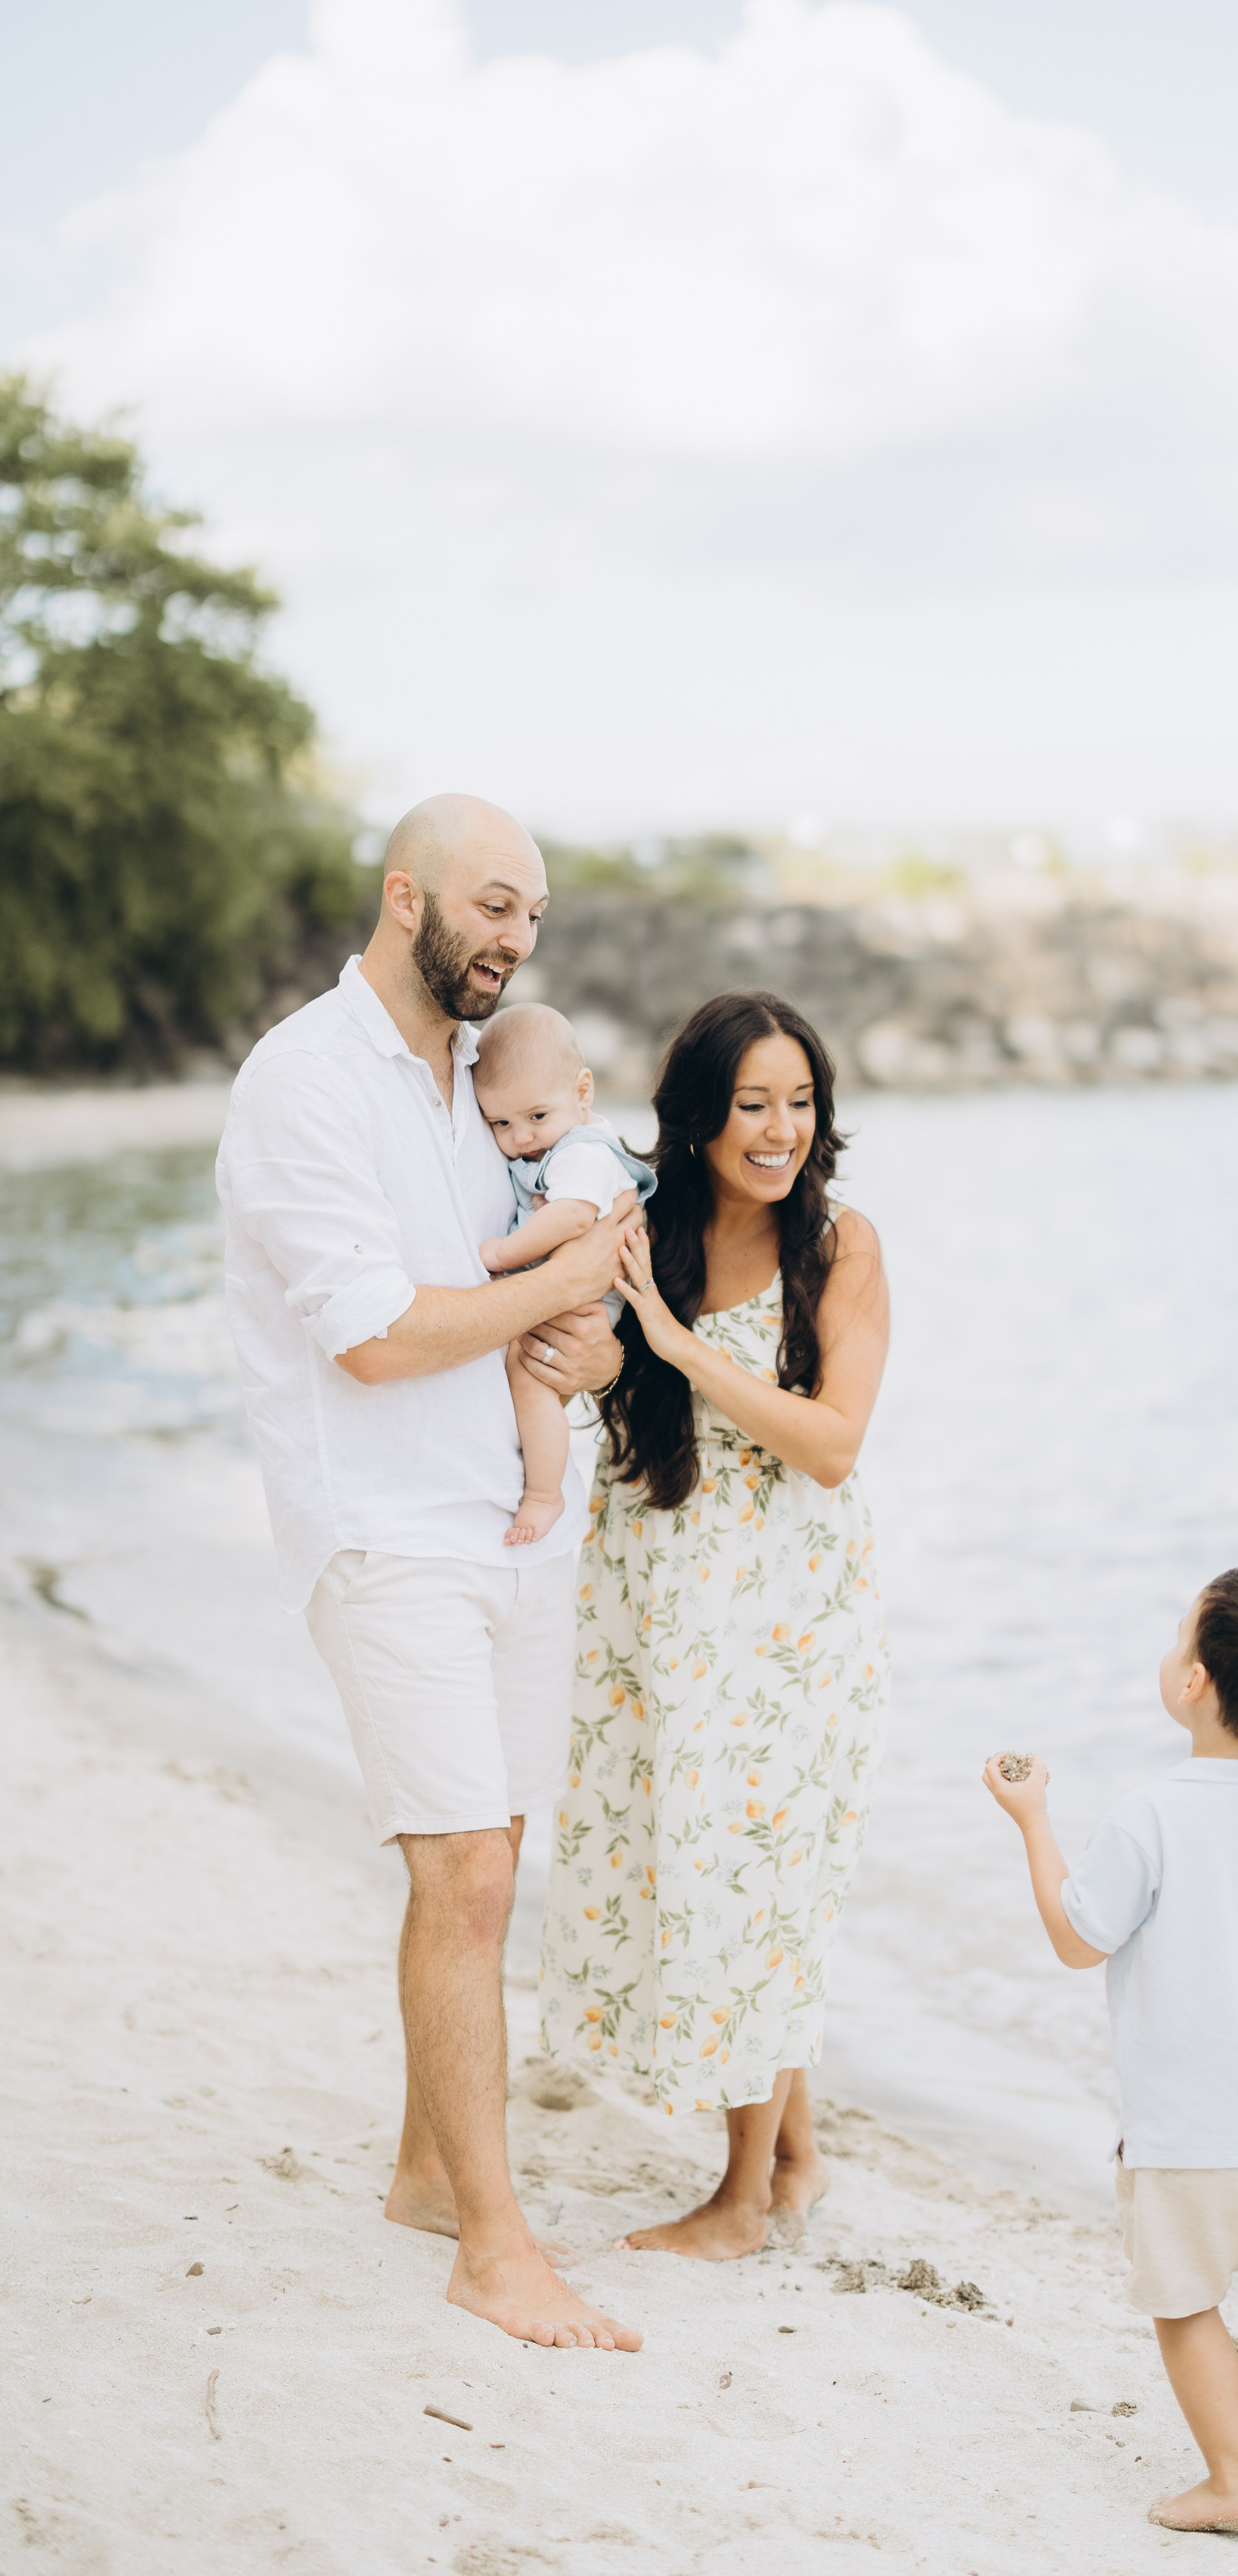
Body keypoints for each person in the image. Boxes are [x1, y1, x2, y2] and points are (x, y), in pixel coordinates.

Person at [216, 791, 644, 2354]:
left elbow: (541, 1312)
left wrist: (590, 1332)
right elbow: (380, 1336)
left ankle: (419, 2170)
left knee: (495, 1858)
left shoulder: (486, 1081)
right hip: (380, 1525)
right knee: (459, 1871)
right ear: (406, 896)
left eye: (529, 911)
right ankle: (492, 2242)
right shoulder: (302, 1081)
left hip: (513, 1519)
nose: (512, 935)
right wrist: (560, 1278)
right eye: (488, 903)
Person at [535, 990, 890, 2258]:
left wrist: (679, 1347)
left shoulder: (842, 1249)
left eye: (800, 1103)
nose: (779, 1129)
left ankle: (741, 2202)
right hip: (655, 1603)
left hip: (787, 1626)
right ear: (698, 1117)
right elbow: (580, 1351)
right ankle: (793, 2165)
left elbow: (834, 1445)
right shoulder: (646, 1229)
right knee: (705, 1870)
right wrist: (603, 1349)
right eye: (753, 1104)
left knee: (760, 1890)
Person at [983, 1565, 1238, 2545]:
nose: (1170, 1658)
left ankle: (1234, 2479)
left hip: (1192, 2139)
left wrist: (1034, 1823)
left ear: (1195, 1682)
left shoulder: (1150, 1813)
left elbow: (1080, 1939)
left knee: (1187, 2305)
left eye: (1177, 1642)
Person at [472, 1003, 657, 1547]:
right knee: (527, 1377)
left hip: (590, 1296)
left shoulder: (583, 1153)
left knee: (530, 1380)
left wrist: (504, 1253)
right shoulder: (555, 1141)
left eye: (535, 1117)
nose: (521, 1138)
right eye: (500, 1124)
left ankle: (545, 1494)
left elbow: (573, 1215)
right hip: (568, 1285)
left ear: (582, 1093)